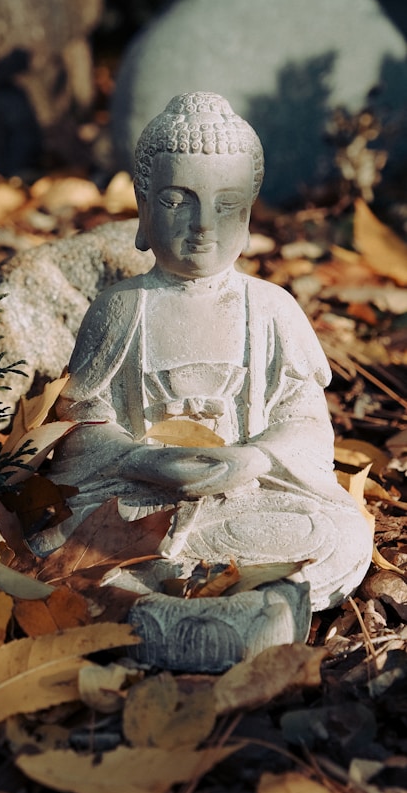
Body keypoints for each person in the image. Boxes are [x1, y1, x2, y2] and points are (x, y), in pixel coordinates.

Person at [33, 92, 373, 671]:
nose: (202, 227)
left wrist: (255, 460)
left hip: (246, 500)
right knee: (55, 536)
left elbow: (306, 420)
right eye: (176, 201)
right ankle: (237, 611)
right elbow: (78, 426)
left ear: (249, 212)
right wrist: (142, 460)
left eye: (227, 205)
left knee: (333, 529)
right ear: (143, 207)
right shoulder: (122, 308)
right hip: (140, 499)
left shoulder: (270, 308)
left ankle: (162, 611)